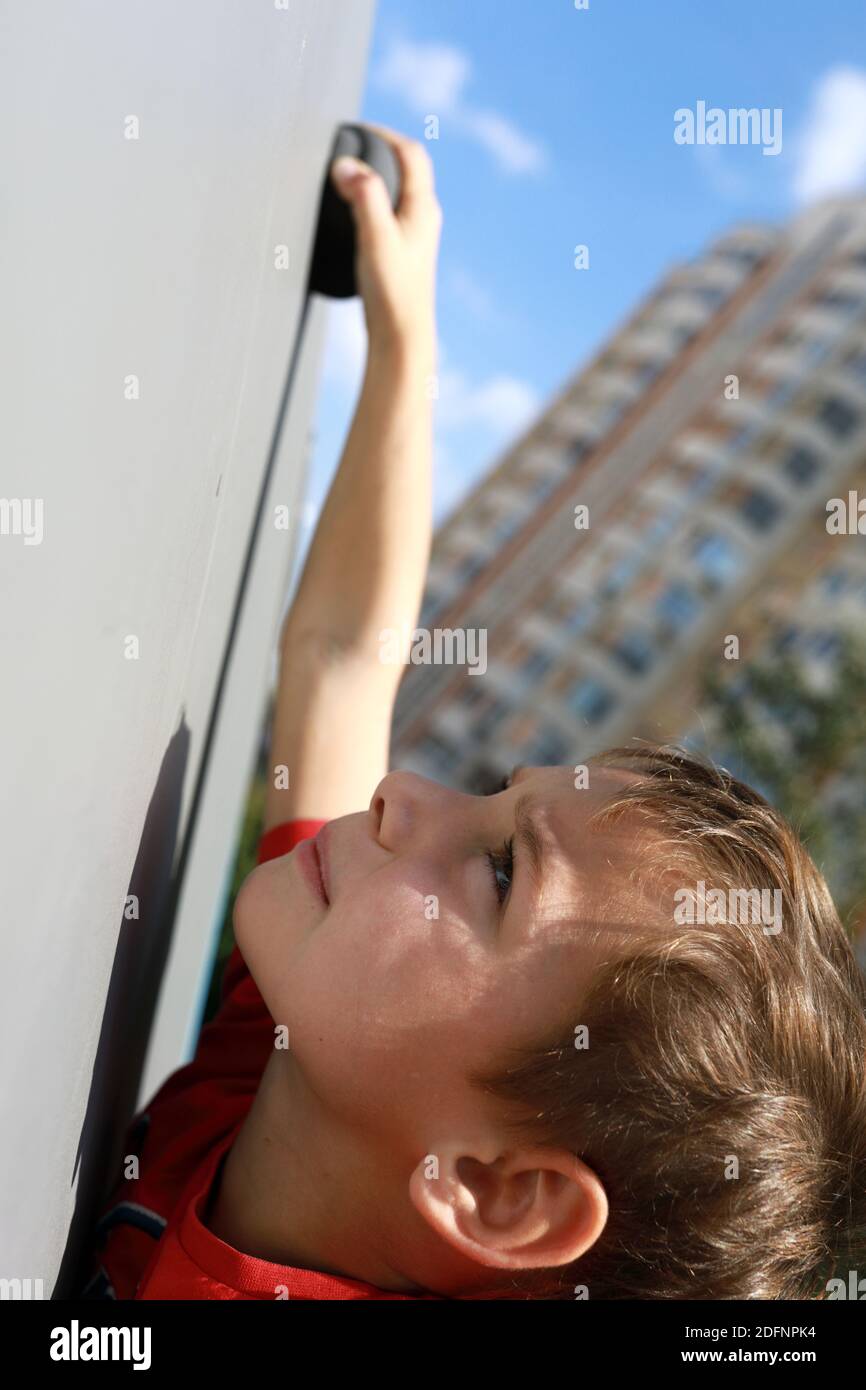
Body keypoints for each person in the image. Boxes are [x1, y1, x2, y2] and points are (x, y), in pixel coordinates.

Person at [84, 124, 866, 1301]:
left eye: (500, 873)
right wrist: (406, 342)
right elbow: (347, 661)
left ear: (498, 1189)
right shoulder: (303, 1063)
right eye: (499, 796)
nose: (402, 795)